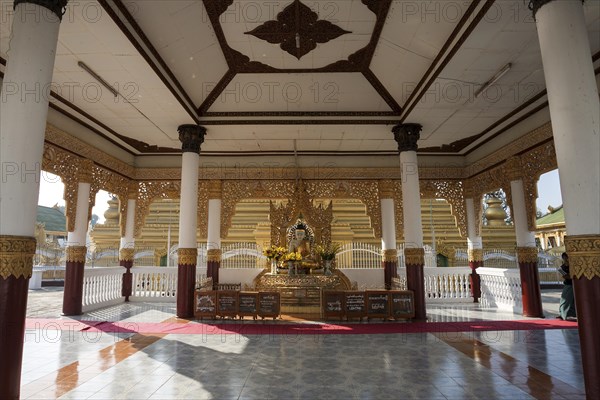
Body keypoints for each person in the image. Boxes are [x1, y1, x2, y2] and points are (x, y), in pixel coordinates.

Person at [557, 252, 577, 321]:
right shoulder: (561, 268)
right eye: (565, 258)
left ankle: (571, 314)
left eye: (567, 258)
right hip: (568, 285)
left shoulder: (574, 266)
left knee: (573, 301)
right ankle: (562, 314)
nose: (566, 260)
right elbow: (566, 276)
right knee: (564, 300)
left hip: (575, 285)